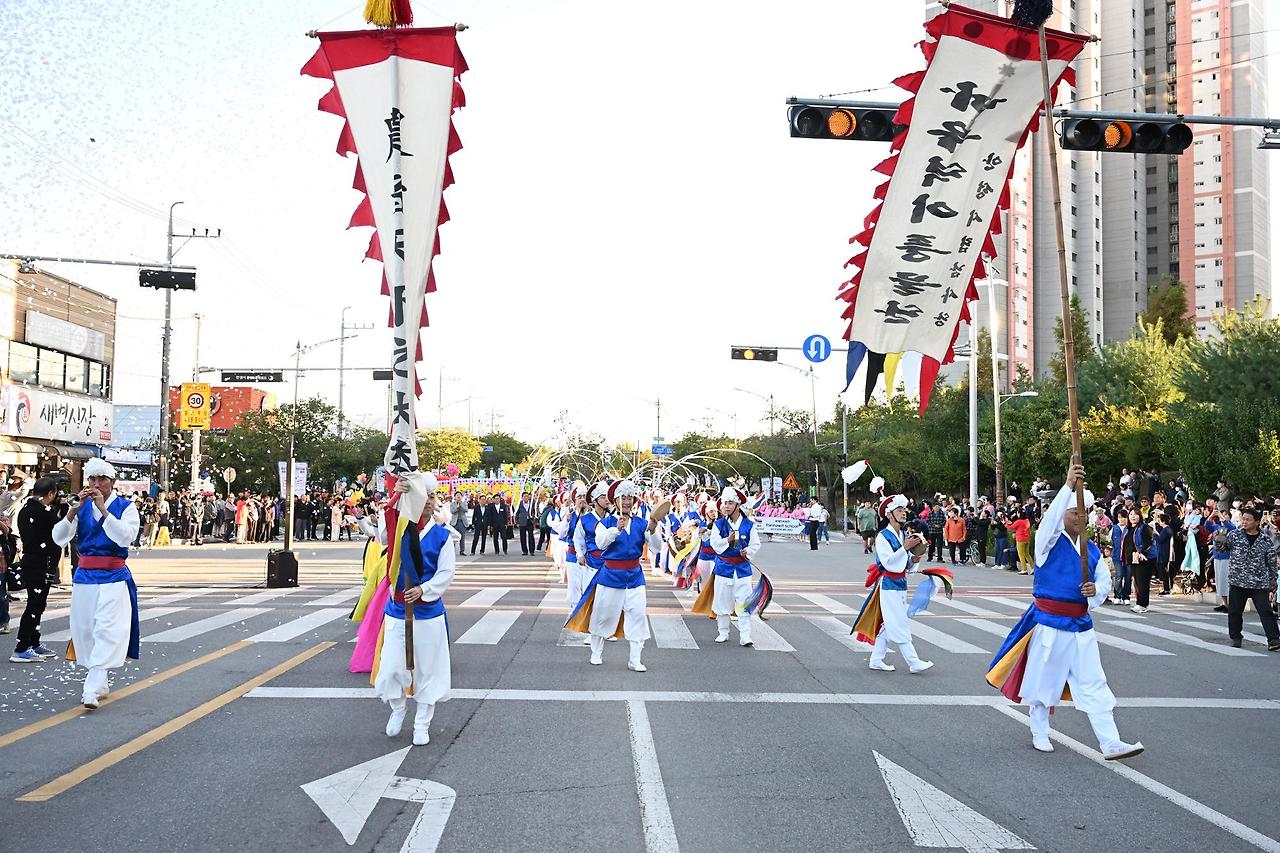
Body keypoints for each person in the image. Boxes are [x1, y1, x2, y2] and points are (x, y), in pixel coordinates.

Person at [987, 463, 1144, 760]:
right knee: (1044, 681)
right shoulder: (1048, 542)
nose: (1080, 517)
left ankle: (1110, 742)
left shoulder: (1091, 549)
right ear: (1063, 513)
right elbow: (1048, 521)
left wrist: (1094, 591)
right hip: (1049, 623)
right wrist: (1069, 485)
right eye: (1074, 512)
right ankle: (1040, 731)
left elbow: (1104, 582)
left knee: (1094, 682)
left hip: (1081, 626)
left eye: (1084, 513)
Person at [373, 473, 457, 745]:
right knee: (391, 667)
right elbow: (382, 535)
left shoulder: (442, 536)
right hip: (398, 610)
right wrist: (397, 496)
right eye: (424, 496)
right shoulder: (399, 528)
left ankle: (422, 723)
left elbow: (446, 573)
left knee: (428, 671)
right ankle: (398, 708)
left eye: (432, 497)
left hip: (428, 613)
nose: (429, 501)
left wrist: (424, 590)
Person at [53, 459, 142, 709]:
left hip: (114, 576)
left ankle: (90, 688)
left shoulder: (126, 507)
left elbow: (126, 537)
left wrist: (104, 510)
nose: (96, 484)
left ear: (112, 482)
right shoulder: (80, 506)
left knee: (107, 629)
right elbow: (59, 537)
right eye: (92, 479)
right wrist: (72, 511)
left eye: (102, 479)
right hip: (85, 576)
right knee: (87, 629)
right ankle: (100, 682)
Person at [566, 480, 656, 671]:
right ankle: (596, 653)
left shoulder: (641, 523)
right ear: (615, 500)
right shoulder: (604, 523)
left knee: (637, 615)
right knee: (603, 615)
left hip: (635, 577)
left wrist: (654, 530)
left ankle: (635, 660)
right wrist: (616, 530)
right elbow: (600, 543)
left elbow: (656, 547)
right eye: (623, 498)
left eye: (630, 498)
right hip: (610, 575)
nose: (627, 502)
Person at [854, 493, 933, 674]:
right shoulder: (883, 536)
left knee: (889, 624)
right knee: (899, 623)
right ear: (890, 514)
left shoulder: (902, 534)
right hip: (889, 585)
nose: (904, 512)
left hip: (900, 583)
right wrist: (905, 548)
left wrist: (914, 559)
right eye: (899, 510)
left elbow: (905, 565)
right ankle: (913, 662)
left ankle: (876, 660)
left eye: (904, 509)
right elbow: (888, 563)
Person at [8, 477, 63, 662]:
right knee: (35, 604)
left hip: (32, 561)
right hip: (41, 563)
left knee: (38, 604)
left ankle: (33, 642)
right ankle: (22, 647)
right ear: (51, 493)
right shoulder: (43, 512)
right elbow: (60, 528)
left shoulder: (26, 509)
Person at [708, 487, 762, 646]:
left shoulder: (749, 524)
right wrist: (727, 540)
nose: (726, 506)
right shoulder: (719, 524)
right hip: (724, 568)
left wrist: (748, 551)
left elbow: (755, 543)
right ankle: (723, 632)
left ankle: (745, 635)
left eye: (730, 503)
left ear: (738, 505)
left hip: (742, 569)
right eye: (725, 503)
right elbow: (714, 544)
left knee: (744, 602)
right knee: (722, 601)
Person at [1220, 507, 1280, 651]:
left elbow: (1271, 560)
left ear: (1257, 522)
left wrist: (1273, 578)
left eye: (1248, 520)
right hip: (1238, 580)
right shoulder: (1234, 535)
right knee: (1235, 611)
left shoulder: (1265, 539)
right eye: (1243, 519)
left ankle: (1274, 639)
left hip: (1259, 582)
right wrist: (1219, 539)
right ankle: (1236, 637)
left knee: (1265, 611)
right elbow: (1222, 548)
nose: (1244, 522)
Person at [1122, 509, 1155, 613]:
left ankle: (1143, 604)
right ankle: (1139, 602)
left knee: (1143, 582)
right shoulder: (1127, 528)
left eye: (1136, 514)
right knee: (1137, 582)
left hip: (1144, 558)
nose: (1133, 516)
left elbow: (1148, 541)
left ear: (1140, 516)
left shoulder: (1144, 527)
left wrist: (1142, 552)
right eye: (1131, 514)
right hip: (1133, 558)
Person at [1204, 511, 1235, 613]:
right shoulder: (1217, 527)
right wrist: (1212, 515)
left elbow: (1230, 527)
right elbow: (1207, 526)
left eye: (1226, 515)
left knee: (1226, 581)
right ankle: (1224, 603)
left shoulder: (1232, 527)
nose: (1222, 517)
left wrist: (1221, 516)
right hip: (1217, 556)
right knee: (1220, 581)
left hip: (1227, 557)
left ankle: (1231, 605)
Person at [1007, 510, 1033, 575]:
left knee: (1021, 554)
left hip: (1020, 539)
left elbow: (1011, 527)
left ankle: (1024, 569)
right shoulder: (1027, 520)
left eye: (1018, 513)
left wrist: (1006, 524)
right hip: (1027, 538)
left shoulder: (1019, 521)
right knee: (1027, 554)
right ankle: (1033, 568)